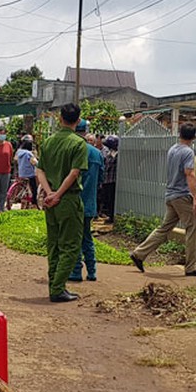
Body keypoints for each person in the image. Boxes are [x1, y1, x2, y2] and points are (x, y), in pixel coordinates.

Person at [128, 123, 196, 279]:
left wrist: (192, 180)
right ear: (194, 137)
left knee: (164, 228)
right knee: (193, 228)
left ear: (180, 134)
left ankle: (139, 254)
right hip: (182, 196)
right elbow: (189, 174)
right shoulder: (188, 152)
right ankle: (192, 266)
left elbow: (182, 173)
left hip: (171, 195)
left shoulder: (173, 149)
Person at [36, 103, 88, 303]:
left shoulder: (49, 142)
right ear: (78, 120)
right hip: (68, 199)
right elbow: (74, 173)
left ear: (60, 118)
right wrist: (58, 194)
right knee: (71, 246)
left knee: (54, 245)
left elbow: (39, 170)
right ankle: (58, 288)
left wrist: (50, 193)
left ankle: (54, 285)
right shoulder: (78, 143)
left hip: (50, 201)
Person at [70, 120, 104, 282]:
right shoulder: (97, 154)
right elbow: (101, 179)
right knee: (87, 237)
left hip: (74, 201)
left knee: (74, 237)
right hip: (90, 202)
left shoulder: (73, 150)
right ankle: (92, 271)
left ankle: (76, 271)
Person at [100, 135, 119, 223]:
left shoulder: (118, 155)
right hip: (106, 180)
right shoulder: (109, 153)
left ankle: (111, 216)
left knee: (112, 199)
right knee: (106, 199)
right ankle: (109, 215)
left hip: (113, 180)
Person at [15, 135, 39, 205]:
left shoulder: (18, 152)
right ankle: (34, 203)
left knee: (25, 187)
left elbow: (15, 159)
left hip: (21, 173)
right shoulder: (29, 154)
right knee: (34, 188)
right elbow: (35, 162)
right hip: (29, 174)